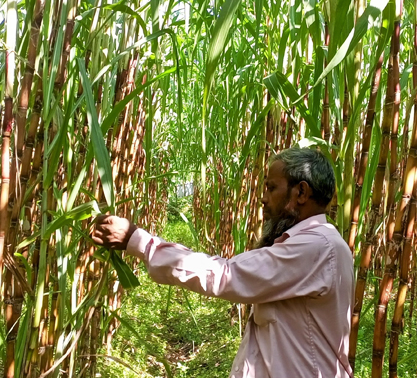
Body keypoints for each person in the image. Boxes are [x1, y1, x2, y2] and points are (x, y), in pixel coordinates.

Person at [91, 148, 354, 378]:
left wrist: (139, 241)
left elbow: (227, 274)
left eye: (271, 187)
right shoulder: (320, 244)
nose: (263, 198)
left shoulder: (316, 247)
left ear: (301, 192)